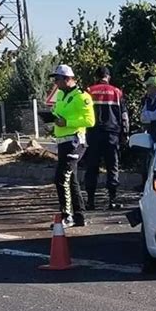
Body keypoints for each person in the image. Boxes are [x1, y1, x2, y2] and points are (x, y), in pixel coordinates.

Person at [50, 64, 95, 227]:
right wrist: (51, 118)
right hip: (63, 142)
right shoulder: (61, 95)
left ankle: (67, 216)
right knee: (71, 179)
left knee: (61, 178)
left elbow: (90, 121)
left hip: (75, 141)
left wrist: (67, 122)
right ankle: (79, 215)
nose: (56, 82)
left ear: (68, 78)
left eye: (58, 79)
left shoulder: (82, 96)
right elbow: (58, 113)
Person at [84, 66, 129, 210]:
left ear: (96, 77)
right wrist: (125, 134)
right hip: (112, 134)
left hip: (93, 134)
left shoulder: (89, 91)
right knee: (112, 167)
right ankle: (112, 200)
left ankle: (90, 201)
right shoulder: (116, 92)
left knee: (92, 167)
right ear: (108, 77)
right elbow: (124, 116)